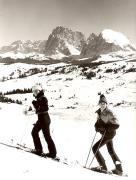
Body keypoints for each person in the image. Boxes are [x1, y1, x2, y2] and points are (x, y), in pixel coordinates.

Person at [91, 94, 123, 175]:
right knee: (111, 150)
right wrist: (97, 127)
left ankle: (103, 167)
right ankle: (119, 169)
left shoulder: (109, 112)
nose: (102, 105)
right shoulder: (99, 112)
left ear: (106, 104)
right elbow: (98, 123)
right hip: (105, 134)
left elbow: (116, 124)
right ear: (99, 104)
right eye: (101, 103)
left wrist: (106, 128)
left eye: (104, 103)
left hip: (109, 134)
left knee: (95, 148)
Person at [31, 83, 57, 158]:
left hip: (44, 119)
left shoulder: (43, 98)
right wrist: (36, 104)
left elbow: (44, 108)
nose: (34, 93)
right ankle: (40, 150)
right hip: (43, 119)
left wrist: (36, 105)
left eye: (36, 91)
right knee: (35, 132)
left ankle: (51, 153)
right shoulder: (40, 98)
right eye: (34, 92)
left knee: (46, 136)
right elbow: (39, 108)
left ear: (39, 91)